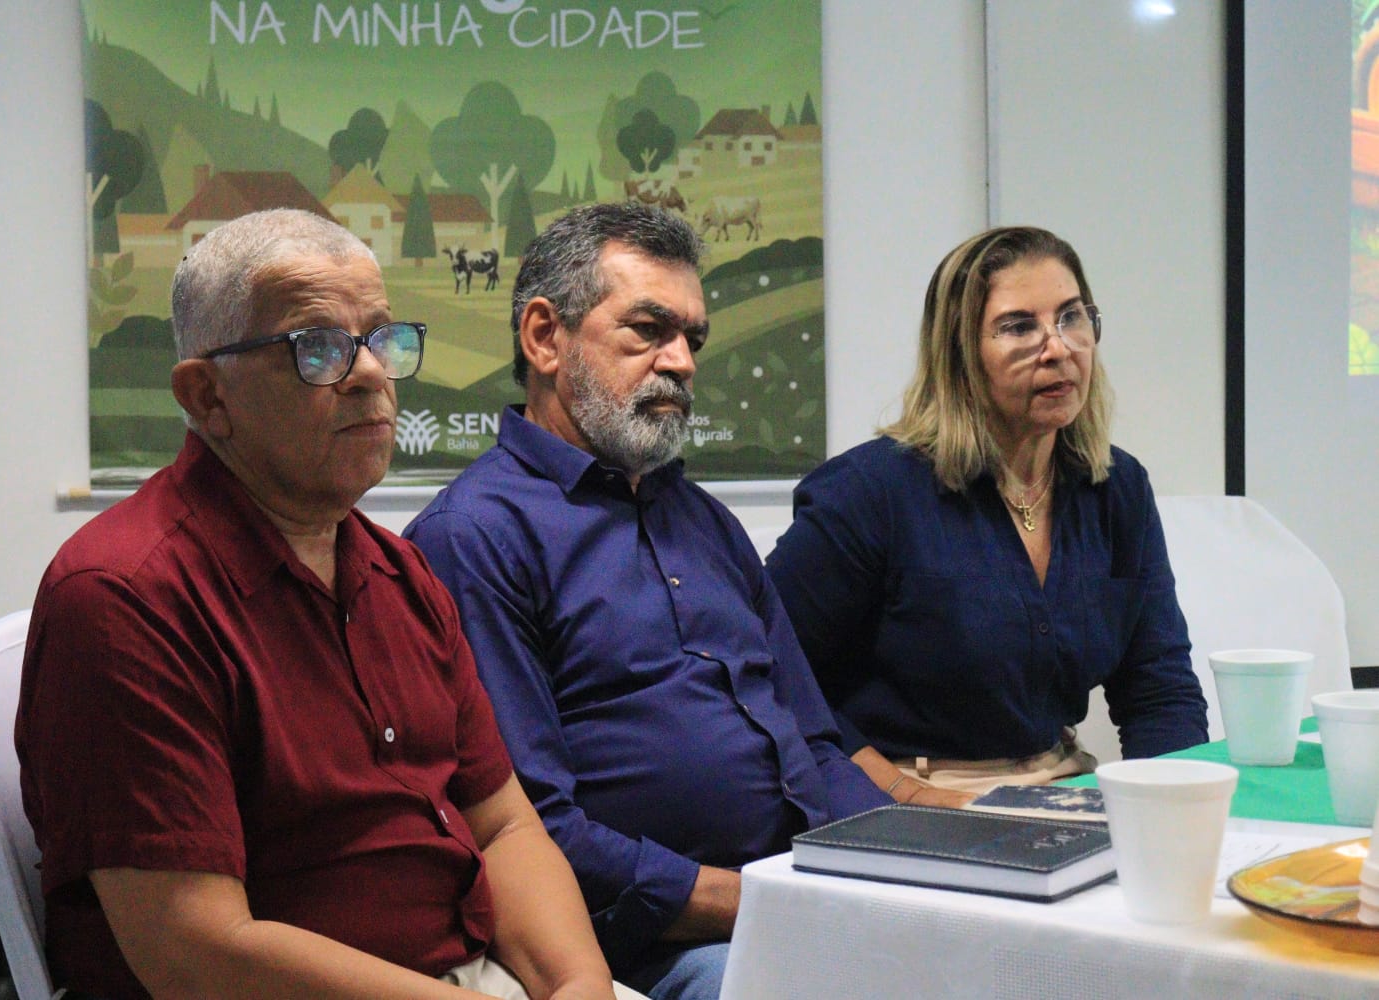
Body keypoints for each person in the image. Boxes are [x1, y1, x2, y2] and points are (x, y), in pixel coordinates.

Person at [15, 208, 640, 1000]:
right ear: (208, 397)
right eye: (318, 348)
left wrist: (581, 986)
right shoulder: (124, 598)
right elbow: (196, 950)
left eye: (381, 338)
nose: (371, 373)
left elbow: (505, 824)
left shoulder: (400, 571)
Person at [405, 202, 946, 1000]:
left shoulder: (705, 522)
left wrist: (919, 855)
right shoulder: (474, 537)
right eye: (649, 329)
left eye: (692, 337)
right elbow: (534, 829)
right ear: (544, 338)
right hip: (642, 940)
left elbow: (817, 745)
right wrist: (761, 901)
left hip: (796, 892)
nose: (682, 361)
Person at [765, 225, 1209, 795]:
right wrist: (903, 795)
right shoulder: (869, 493)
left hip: (1060, 788)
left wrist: (1173, 811)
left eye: (1072, 317)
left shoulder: (1118, 489)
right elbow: (771, 671)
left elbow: (1159, 687)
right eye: (1019, 327)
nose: (1058, 348)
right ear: (960, 353)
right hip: (904, 796)